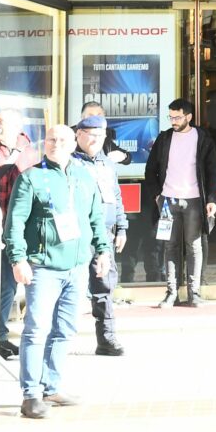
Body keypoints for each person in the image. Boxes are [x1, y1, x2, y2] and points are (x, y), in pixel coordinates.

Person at [4, 125, 113, 419]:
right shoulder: (31, 178)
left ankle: (50, 387)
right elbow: (15, 223)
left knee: (64, 329)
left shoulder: (84, 176)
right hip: (43, 268)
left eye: (62, 139)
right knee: (36, 330)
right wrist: (18, 259)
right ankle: (31, 395)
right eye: (51, 139)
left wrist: (103, 251)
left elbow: (95, 217)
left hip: (76, 268)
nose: (56, 143)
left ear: (73, 143)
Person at [144, 99, 216, 308]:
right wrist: (157, 195)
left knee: (194, 246)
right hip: (167, 200)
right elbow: (150, 170)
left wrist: (212, 199)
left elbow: (212, 172)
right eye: (171, 117)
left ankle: (194, 293)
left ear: (189, 117)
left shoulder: (203, 138)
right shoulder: (164, 138)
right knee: (170, 246)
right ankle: (171, 293)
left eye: (177, 117)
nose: (173, 121)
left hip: (194, 199)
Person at [73, 114, 129, 355]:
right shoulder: (70, 162)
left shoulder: (107, 164)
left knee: (104, 286)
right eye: (91, 135)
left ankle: (106, 339)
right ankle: (61, 338)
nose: (96, 139)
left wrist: (121, 227)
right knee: (72, 287)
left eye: (100, 135)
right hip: (76, 233)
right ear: (79, 135)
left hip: (103, 233)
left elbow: (115, 196)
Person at [0, 108, 39, 360]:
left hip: (15, 225)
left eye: (3, 122)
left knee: (7, 284)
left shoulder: (28, 150)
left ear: (17, 126)